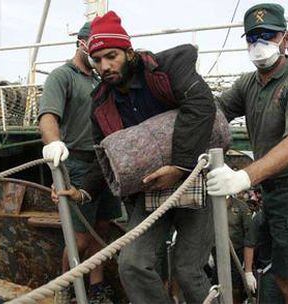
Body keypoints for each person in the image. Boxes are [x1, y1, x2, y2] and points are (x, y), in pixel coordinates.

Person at [56, 11, 217, 304]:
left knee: (188, 268)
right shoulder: (101, 103)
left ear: (129, 52)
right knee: (131, 264)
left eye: (112, 56)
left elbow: (201, 104)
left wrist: (179, 166)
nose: (104, 66)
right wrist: (84, 191)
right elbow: (104, 153)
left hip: (193, 177)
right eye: (97, 60)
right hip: (149, 190)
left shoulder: (167, 69)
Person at [206, 3, 288, 304]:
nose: (259, 45)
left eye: (268, 36)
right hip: (274, 193)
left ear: (286, 38)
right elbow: (215, 111)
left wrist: (242, 177)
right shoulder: (249, 83)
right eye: (252, 38)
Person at [38, 22, 121, 304]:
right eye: (95, 51)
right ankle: (66, 286)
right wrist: (53, 142)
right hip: (76, 163)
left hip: (105, 164)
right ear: (82, 43)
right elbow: (48, 115)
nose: (101, 60)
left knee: (102, 230)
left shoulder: (101, 80)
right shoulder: (62, 76)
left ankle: (96, 288)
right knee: (80, 238)